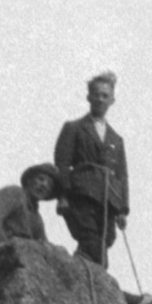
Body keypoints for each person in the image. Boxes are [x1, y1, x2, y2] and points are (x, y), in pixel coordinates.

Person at [53, 72, 128, 268]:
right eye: (97, 94)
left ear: (112, 100)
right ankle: (118, 296)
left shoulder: (116, 139)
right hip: (82, 193)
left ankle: (77, 270)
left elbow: (122, 176)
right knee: (92, 240)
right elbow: (62, 163)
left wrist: (122, 209)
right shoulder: (74, 128)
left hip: (107, 200)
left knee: (106, 240)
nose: (100, 99)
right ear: (89, 97)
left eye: (105, 96)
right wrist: (63, 195)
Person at [0, 164, 58, 258]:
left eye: (50, 185)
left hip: (24, 260)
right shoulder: (15, 194)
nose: (44, 185)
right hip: (2, 258)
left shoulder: (37, 218)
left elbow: (45, 247)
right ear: (29, 181)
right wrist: (3, 245)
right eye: (41, 179)